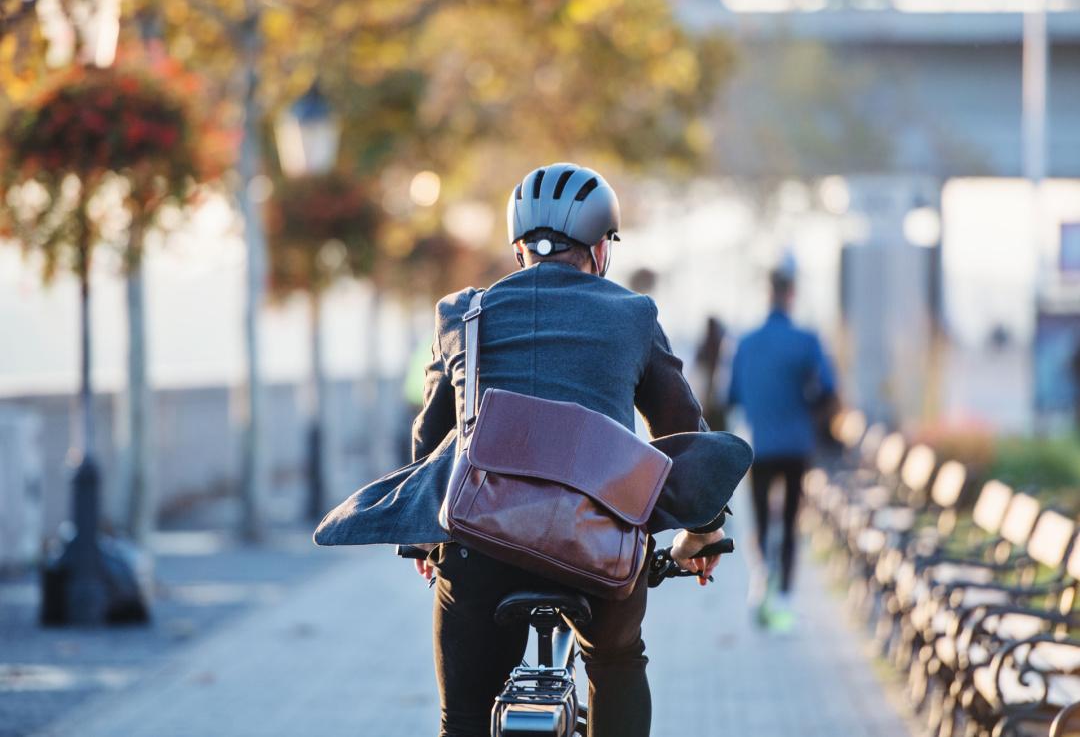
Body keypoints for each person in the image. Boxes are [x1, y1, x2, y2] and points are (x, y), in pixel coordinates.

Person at [313, 163, 751, 737]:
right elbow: (681, 433)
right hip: (601, 542)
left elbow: (432, 439)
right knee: (617, 660)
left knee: (464, 718)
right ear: (601, 250)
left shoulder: (462, 313)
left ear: (519, 249)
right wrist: (703, 532)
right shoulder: (633, 315)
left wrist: (425, 535)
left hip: (479, 542)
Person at [728, 265, 836, 633]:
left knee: (759, 519)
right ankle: (786, 597)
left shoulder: (746, 342)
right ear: (791, 295)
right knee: (790, 522)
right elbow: (827, 389)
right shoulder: (807, 340)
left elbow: (733, 395)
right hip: (796, 444)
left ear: (767, 293)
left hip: (759, 446)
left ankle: (760, 583)